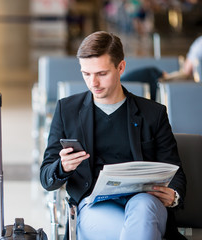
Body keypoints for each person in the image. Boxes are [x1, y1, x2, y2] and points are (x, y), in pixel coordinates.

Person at [40, 31, 187, 240]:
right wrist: (62, 167)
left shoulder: (153, 113)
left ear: (121, 68)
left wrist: (174, 195)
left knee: (143, 211)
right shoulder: (67, 110)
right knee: (139, 230)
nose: (93, 83)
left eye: (101, 74)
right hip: (94, 205)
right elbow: (46, 177)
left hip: (144, 201)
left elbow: (176, 172)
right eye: (86, 74)